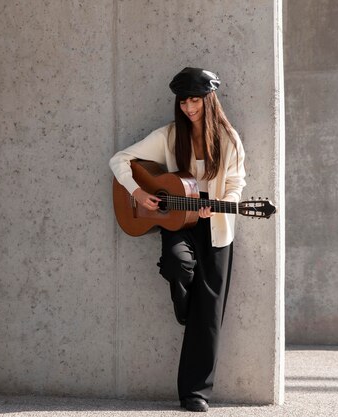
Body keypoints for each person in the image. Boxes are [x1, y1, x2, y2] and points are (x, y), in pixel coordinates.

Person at [109, 67, 246, 412]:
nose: (188, 106)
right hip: (177, 223)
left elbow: (235, 184)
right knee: (176, 264)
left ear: (209, 99)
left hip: (215, 228)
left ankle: (195, 393)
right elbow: (119, 159)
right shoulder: (169, 136)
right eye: (183, 100)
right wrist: (138, 192)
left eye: (195, 99)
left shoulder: (228, 140)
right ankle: (183, 305)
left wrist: (217, 209)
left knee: (209, 315)